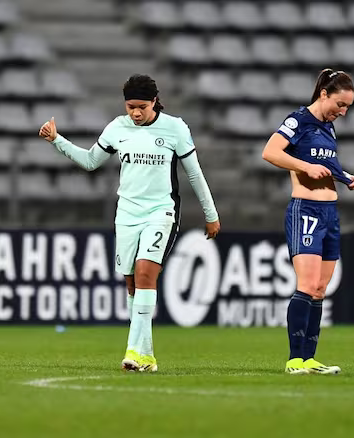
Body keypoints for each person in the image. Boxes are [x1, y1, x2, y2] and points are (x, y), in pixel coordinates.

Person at [39, 74, 220, 372]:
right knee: (132, 284)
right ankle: (147, 357)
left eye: (142, 107)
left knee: (145, 273)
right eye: (130, 106)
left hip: (160, 212)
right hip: (126, 214)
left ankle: (133, 351)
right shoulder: (117, 127)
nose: (135, 113)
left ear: (154, 102)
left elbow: (194, 174)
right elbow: (89, 161)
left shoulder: (175, 128)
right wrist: (56, 140)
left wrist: (210, 214)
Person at [262, 69, 354, 375]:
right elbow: (270, 152)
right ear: (324, 94)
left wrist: (345, 177)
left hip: (330, 214)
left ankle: (310, 358)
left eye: (347, 108)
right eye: (340, 104)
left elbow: (327, 165)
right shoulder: (298, 121)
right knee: (306, 285)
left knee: (319, 288)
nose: (342, 112)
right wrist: (305, 165)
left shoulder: (328, 129)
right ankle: (294, 360)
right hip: (305, 211)